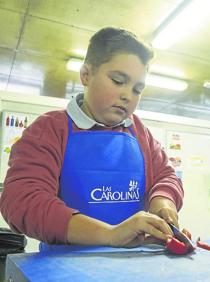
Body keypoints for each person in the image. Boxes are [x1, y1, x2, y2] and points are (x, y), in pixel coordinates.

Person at [0, 27, 184, 248]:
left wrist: (163, 201)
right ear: (86, 75)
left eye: (137, 89)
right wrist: (110, 234)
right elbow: (22, 200)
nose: (127, 95)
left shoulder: (141, 133)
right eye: (118, 80)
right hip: (65, 269)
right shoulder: (49, 130)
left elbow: (166, 176)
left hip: (133, 265)